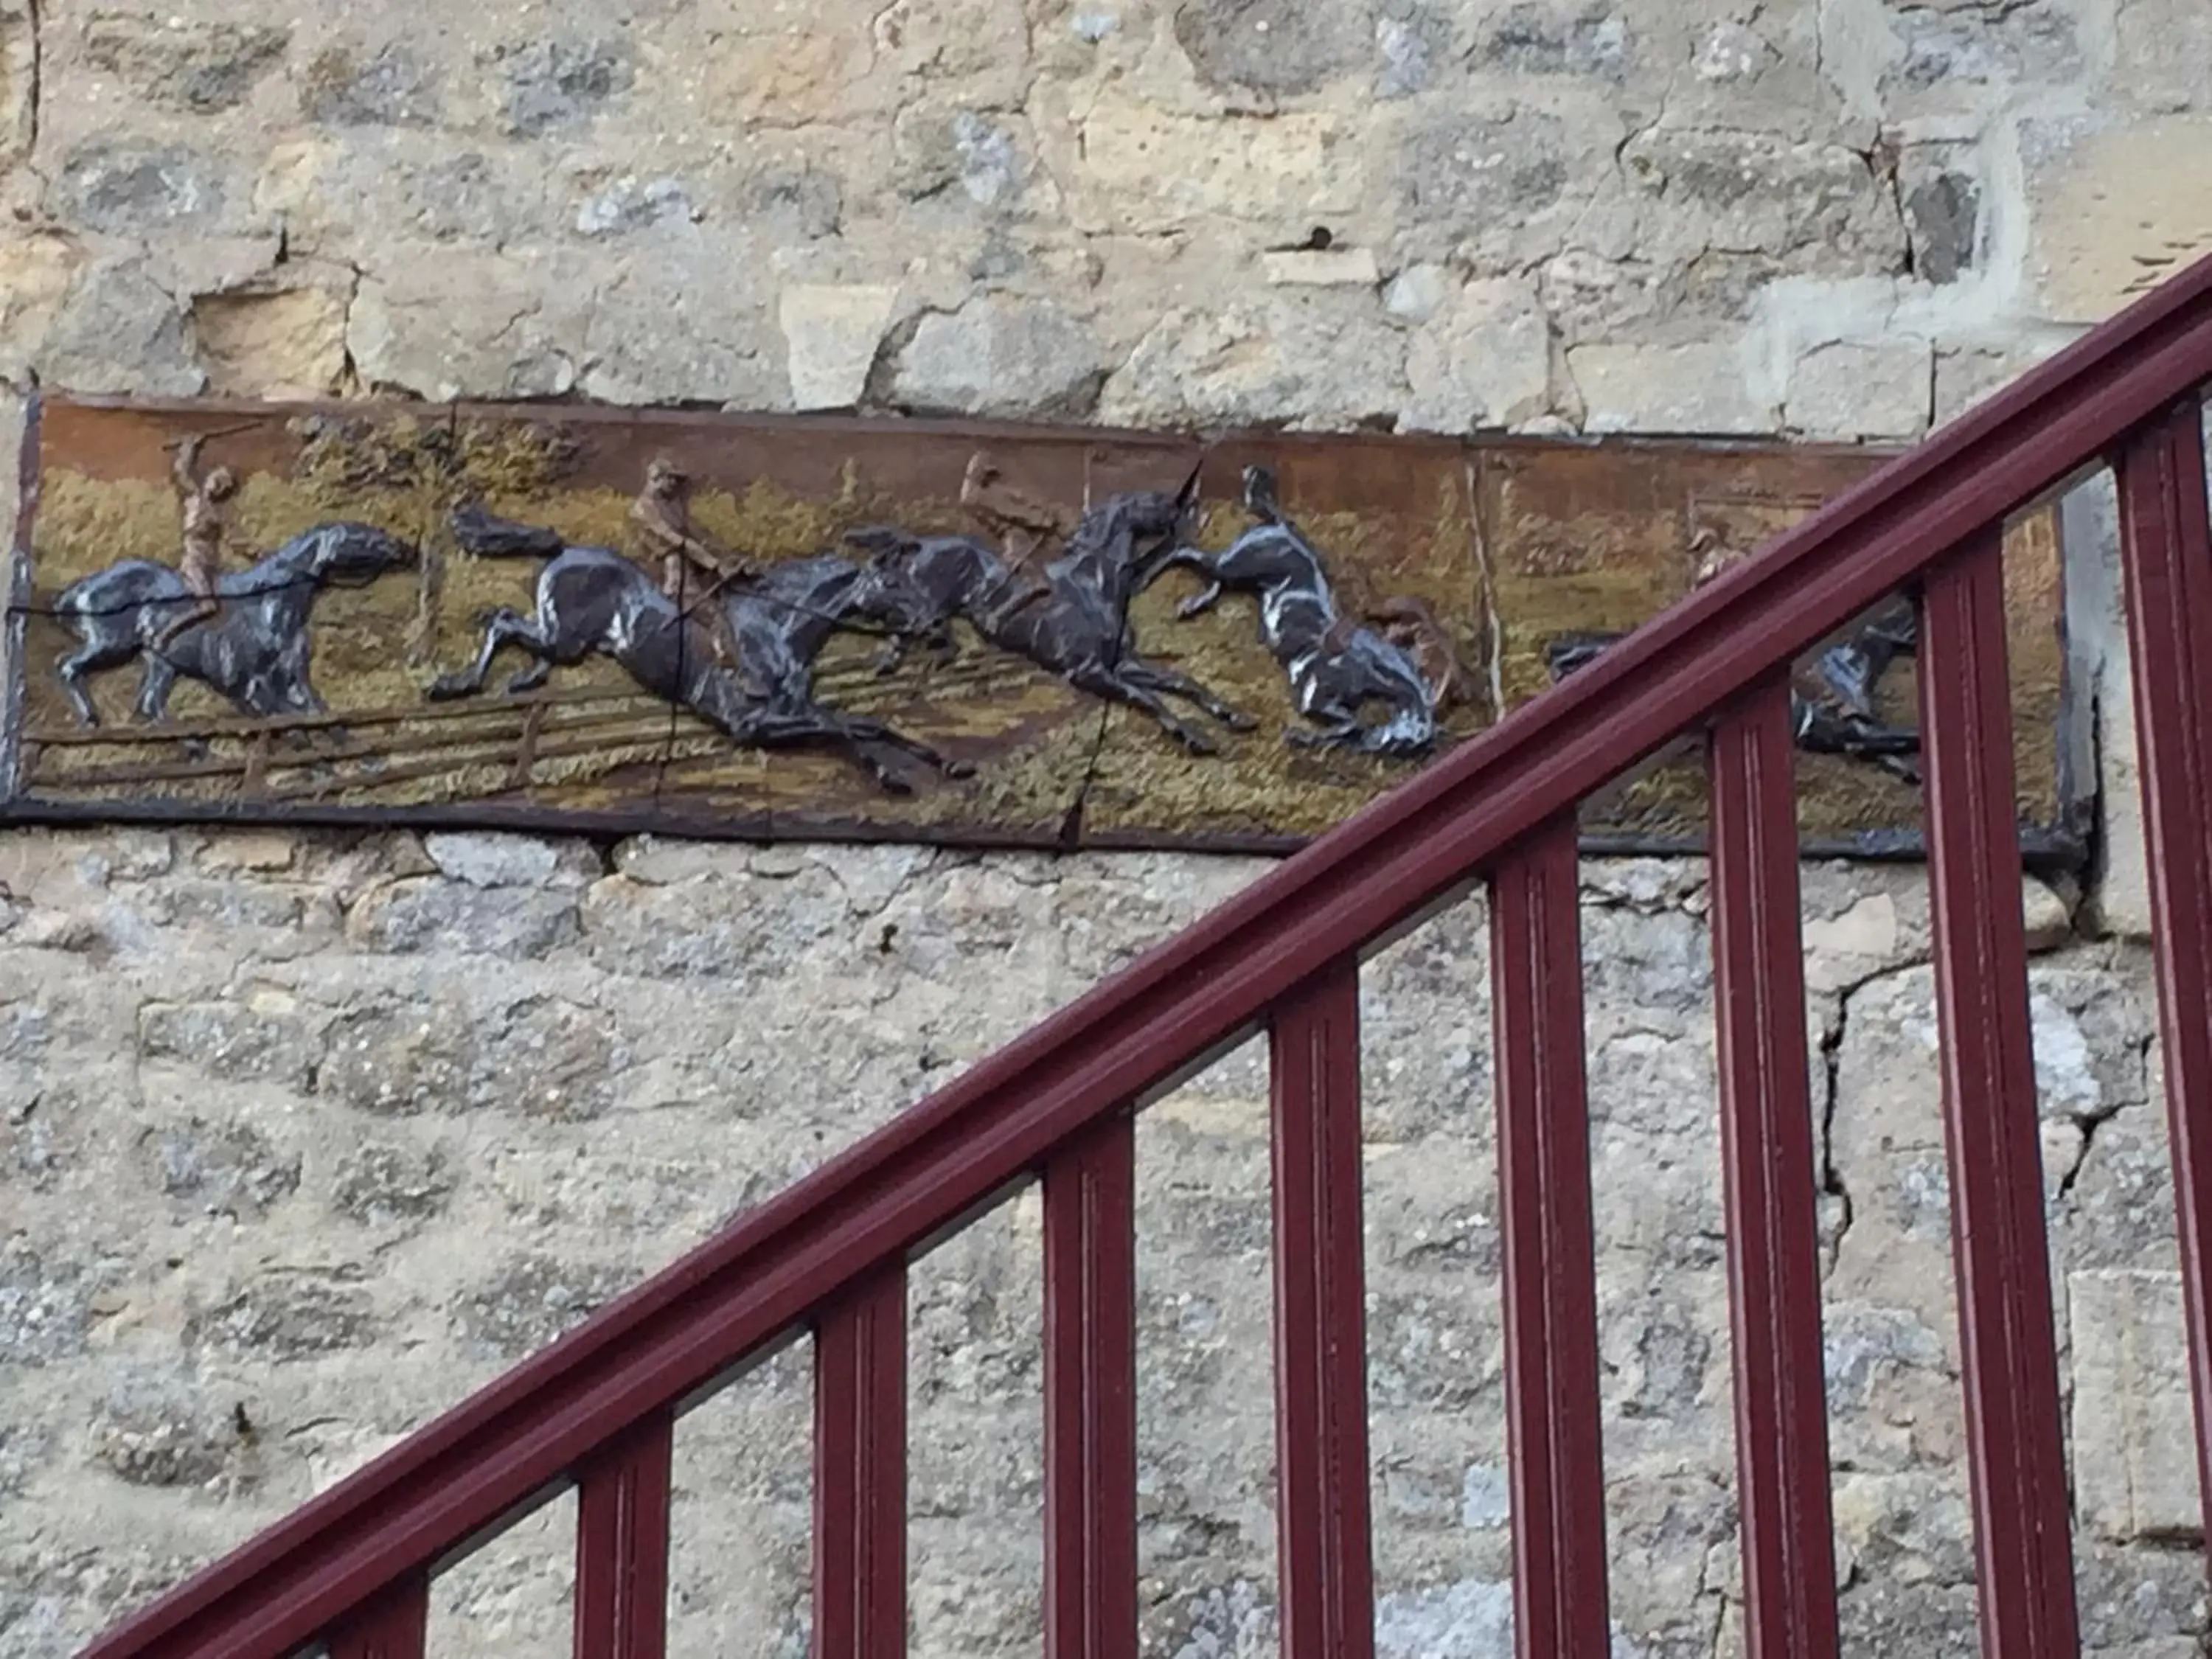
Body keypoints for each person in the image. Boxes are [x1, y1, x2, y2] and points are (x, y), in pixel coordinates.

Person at [629, 458, 749, 667]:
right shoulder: (643, 509)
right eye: (671, 479)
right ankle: (732, 673)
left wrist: (726, 557)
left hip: (690, 568)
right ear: (656, 478)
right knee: (715, 619)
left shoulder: (671, 506)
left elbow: (696, 534)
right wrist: (714, 564)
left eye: (677, 480)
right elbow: (679, 541)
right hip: (672, 575)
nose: (675, 484)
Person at [154, 434, 236, 650]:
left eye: (224, 487)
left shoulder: (217, 516)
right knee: (209, 606)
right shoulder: (194, 498)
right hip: (194, 563)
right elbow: (181, 472)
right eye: (217, 481)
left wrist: (262, 554)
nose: (218, 488)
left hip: (212, 566)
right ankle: (166, 634)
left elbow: (235, 540)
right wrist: (189, 448)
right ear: (209, 480)